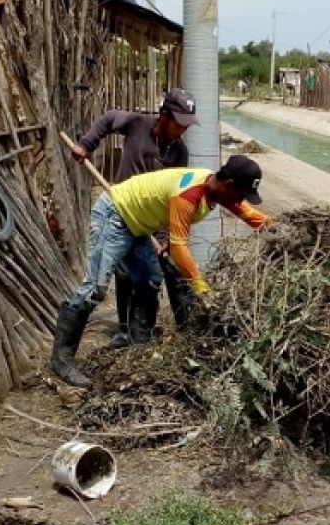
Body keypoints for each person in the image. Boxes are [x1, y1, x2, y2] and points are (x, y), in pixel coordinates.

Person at [51, 155, 272, 388]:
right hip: (115, 216)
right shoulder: (190, 195)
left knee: (149, 280)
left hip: (139, 226)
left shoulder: (218, 189)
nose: (240, 200)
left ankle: (140, 345)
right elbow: (178, 248)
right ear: (228, 184)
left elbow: (248, 214)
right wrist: (202, 288)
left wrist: (278, 229)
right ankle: (62, 360)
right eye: (240, 194)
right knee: (95, 287)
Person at [68, 89, 197, 350]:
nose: (183, 130)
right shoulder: (137, 124)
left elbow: (175, 198)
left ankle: (141, 334)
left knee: (148, 276)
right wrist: (86, 145)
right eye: (179, 123)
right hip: (120, 212)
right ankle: (124, 330)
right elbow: (107, 120)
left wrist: (163, 237)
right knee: (121, 273)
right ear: (164, 115)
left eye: (187, 125)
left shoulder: (179, 154)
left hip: (149, 222)